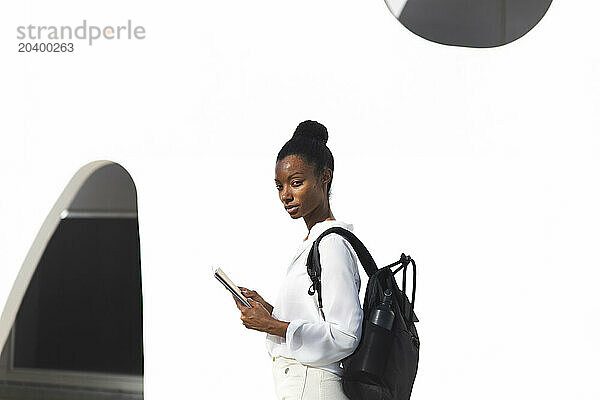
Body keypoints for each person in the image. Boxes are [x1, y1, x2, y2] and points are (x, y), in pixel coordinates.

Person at [232, 120, 363, 400]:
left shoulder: (332, 245)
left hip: (313, 385)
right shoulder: (313, 243)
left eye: (296, 183)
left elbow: (345, 335)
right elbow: (315, 317)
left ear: (324, 177)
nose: (285, 196)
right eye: (279, 186)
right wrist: (269, 310)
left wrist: (269, 325)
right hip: (301, 383)